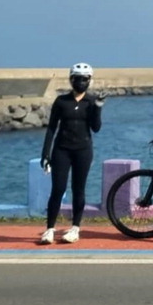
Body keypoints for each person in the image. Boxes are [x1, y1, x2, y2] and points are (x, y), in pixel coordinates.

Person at [38, 63, 105, 244]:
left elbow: (96, 128)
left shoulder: (91, 101)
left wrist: (98, 107)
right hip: (62, 150)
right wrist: (46, 153)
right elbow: (51, 128)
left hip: (83, 150)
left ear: (89, 80)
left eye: (84, 79)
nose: (80, 82)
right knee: (58, 189)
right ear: (71, 79)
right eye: (77, 78)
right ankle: (49, 229)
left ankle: (75, 228)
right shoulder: (61, 101)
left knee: (78, 189)